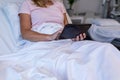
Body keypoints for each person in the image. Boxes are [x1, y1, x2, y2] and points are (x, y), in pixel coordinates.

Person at [19, 0, 86, 42]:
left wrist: (73, 36)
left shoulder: (59, 4)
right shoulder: (27, 3)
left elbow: (67, 27)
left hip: (61, 39)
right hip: (42, 39)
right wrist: (50, 37)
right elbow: (25, 33)